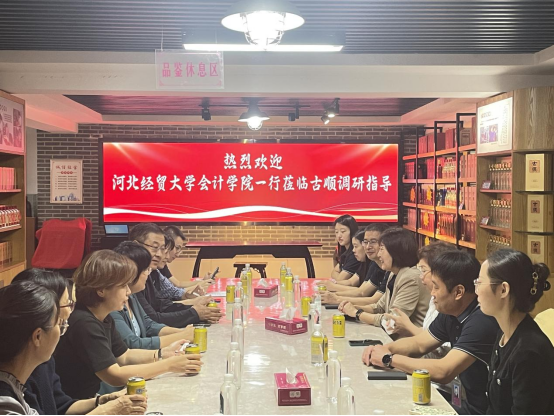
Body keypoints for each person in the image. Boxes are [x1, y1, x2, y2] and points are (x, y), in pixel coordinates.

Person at [363, 251, 499, 415]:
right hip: (461, 401)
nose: (432, 293)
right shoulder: (451, 312)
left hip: (480, 410)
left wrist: (388, 359)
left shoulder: (481, 321)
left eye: (436, 287)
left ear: (458, 292)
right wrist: (384, 349)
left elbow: (444, 371)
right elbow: (419, 343)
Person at [55, 250, 204, 400]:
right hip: (78, 404)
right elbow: (115, 375)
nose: (128, 291)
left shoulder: (103, 317)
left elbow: (125, 356)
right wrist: (169, 365)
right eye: (123, 286)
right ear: (101, 290)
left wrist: (162, 354)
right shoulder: (84, 323)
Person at [12, 269, 147, 416]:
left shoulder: (44, 361)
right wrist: (108, 410)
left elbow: (61, 406)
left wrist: (103, 401)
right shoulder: (11, 385)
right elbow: (115, 374)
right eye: (68, 304)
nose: (71, 312)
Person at [476, 249, 554, 415]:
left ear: (503, 290)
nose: (476, 290)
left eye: (480, 282)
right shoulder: (504, 333)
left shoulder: (529, 352)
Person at [130, 223, 222, 328]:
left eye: (162, 249)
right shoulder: (132, 274)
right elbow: (152, 319)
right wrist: (194, 312)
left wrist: (194, 306)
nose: (160, 255)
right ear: (136, 246)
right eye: (155, 247)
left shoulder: (150, 271)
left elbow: (161, 305)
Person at [339, 228, 430, 330]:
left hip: (410, 337)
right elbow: (379, 307)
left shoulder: (410, 278)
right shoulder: (393, 274)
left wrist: (357, 313)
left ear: (395, 252)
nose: (379, 254)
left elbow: (392, 321)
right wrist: (354, 307)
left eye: (382, 249)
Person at [111, 242, 195, 350]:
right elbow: (132, 343)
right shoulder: (112, 303)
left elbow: (149, 324)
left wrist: (182, 332)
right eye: (146, 269)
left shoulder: (132, 295)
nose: (148, 273)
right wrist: (181, 336)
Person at [0, 282, 62, 415]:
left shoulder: (13, 385)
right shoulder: (5, 404)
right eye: (58, 323)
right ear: (37, 336)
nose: (61, 330)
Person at [322, 224, 389, 305]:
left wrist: (336, 297)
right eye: (366, 242)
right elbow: (360, 291)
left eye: (373, 242)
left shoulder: (391, 269)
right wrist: (333, 295)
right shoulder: (375, 264)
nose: (368, 247)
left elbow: (368, 297)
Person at [162, 226, 214, 293]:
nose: (177, 254)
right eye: (177, 248)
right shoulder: (156, 266)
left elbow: (178, 284)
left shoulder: (162, 265)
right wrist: (201, 284)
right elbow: (176, 291)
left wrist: (203, 281)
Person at [331, 215, 360, 281]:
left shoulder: (355, 254)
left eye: (343, 231)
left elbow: (340, 279)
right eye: (336, 232)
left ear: (352, 231)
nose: (339, 235)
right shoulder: (344, 252)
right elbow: (333, 272)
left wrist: (338, 278)